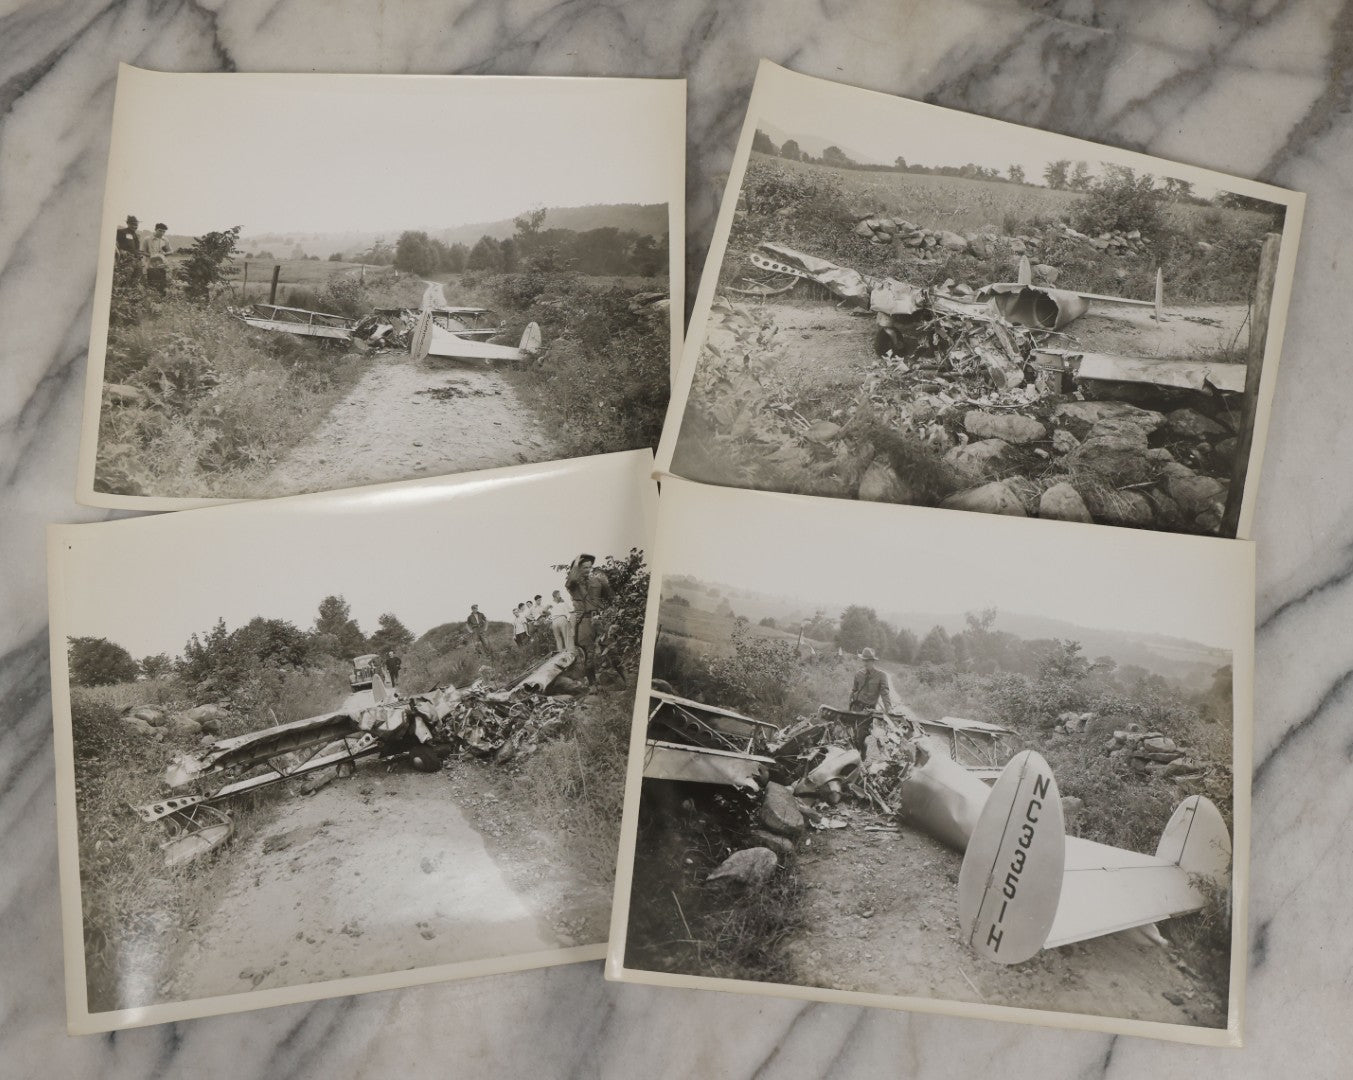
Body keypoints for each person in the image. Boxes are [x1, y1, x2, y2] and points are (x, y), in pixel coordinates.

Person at [566, 554, 614, 686]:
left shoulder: (596, 581)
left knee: (609, 646)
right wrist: (575, 563)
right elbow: (571, 579)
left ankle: (610, 676)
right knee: (589, 651)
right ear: (578, 569)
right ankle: (592, 683)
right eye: (584, 567)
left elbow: (610, 596)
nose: (588, 570)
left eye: (589, 567)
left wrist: (605, 582)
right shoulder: (574, 584)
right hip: (585, 621)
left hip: (598, 619)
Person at [142, 222, 172, 296]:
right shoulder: (147, 239)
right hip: (151, 265)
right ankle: (152, 301)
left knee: (162, 285)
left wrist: (164, 254)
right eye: (160, 230)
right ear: (155, 229)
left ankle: (161, 303)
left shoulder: (165, 240)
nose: (162, 233)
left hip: (162, 265)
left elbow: (171, 251)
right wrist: (152, 255)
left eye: (164, 231)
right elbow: (143, 252)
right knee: (152, 283)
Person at [115, 215, 142, 282]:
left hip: (135, 260)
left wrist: (138, 256)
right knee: (123, 277)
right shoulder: (121, 232)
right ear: (128, 223)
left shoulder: (136, 235)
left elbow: (136, 248)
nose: (134, 226)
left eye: (136, 225)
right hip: (124, 259)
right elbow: (114, 243)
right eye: (132, 224)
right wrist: (120, 250)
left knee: (135, 278)